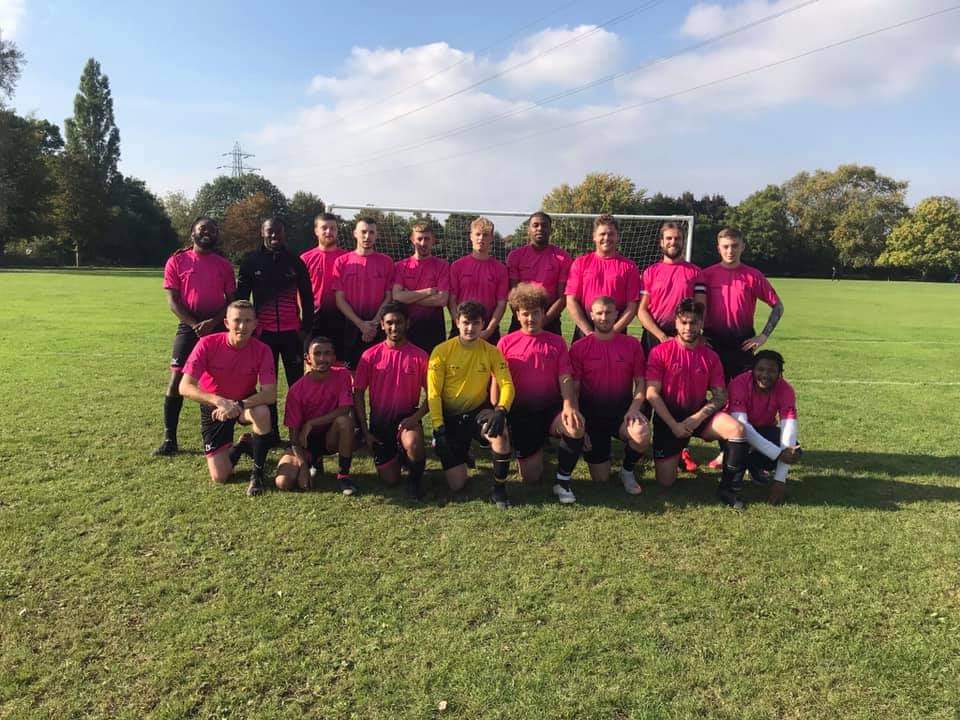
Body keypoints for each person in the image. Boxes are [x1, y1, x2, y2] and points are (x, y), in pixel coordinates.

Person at [645, 299, 751, 509]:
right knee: (666, 482)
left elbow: (720, 396)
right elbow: (651, 394)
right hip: (669, 418)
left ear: (701, 323)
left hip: (699, 413)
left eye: (693, 323)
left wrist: (696, 418)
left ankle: (728, 488)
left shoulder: (710, 356)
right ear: (675, 323)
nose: (688, 328)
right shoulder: (660, 352)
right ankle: (678, 454)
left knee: (736, 430)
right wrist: (674, 425)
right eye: (684, 322)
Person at [495, 284, 585, 504]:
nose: (530, 318)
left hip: (550, 409)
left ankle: (562, 481)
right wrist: (499, 412)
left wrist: (569, 405)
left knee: (575, 425)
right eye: (525, 314)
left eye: (535, 313)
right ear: (517, 314)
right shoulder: (506, 343)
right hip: (521, 413)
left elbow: (565, 377)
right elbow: (497, 383)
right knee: (531, 479)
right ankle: (531, 451)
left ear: (543, 313)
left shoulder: (556, 342)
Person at [155, 217, 236, 456]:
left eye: (212, 230)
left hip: (219, 326)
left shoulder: (224, 265)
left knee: (223, 381)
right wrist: (195, 325)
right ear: (192, 233)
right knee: (176, 382)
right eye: (202, 229)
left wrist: (213, 322)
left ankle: (223, 434)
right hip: (188, 327)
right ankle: (170, 438)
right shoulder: (177, 260)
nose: (207, 233)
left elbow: (231, 301)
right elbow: (173, 301)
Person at [178, 300, 276, 496]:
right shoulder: (206, 344)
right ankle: (243, 445)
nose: (242, 326)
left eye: (248, 321)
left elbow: (270, 394)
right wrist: (219, 401)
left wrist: (238, 404)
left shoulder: (262, 350)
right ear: (226, 322)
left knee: (262, 411)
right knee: (220, 477)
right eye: (237, 320)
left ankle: (257, 474)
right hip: (214, 407)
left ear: (256, 324)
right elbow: (184, 387)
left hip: (243, 403)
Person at [428, 301, 515, 508]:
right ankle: (455, 447)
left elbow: (506, 383)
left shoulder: (491, 351)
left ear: (482, 324)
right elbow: (433, 393)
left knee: (500, 432)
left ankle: (499, 489)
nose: (470, 328)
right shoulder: (441, 351)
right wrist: (439, 427)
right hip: (450, 420)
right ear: (457, 322)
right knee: (457, 484)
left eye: (475, 323)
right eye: (466, 323)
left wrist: (501, 410)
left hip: (477, 413)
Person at [636, 221, 707, 474]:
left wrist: (688, 336)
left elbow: (700, 310)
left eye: (677, 239)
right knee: (648, 393)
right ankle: (639, 446)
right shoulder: (650, 272)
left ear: (682, 241)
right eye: (668, 239)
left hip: (685, 339)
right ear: (661, 242)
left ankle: (680, 448)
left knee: (679, 394)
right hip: (655, 339)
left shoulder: (694, 273)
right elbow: (642, 311)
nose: (673, 243)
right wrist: (660, 336)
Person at [235, 217, 314, 441]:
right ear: (262, 232)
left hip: (292, 335)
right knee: (267, 386)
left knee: (296, 386)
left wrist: (305, 329)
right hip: (264, 336)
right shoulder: (251, 261)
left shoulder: (295, 261)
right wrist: (247, 329)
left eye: (278, 232)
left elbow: (307, 298)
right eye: (270, 232)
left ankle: (297, 432)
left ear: (284, 233)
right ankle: (271, 434)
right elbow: (241, 299)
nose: (274, 236)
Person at [569, 296, 651, 495]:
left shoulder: (631, 345)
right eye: (599, 313)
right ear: (591, 315)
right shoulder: (579, 347)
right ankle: (593, 447)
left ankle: (627, 470)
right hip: (592, 418)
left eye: (608, 313)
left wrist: (633, 410)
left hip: (621, 414)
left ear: (616, 315)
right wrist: (582, 428)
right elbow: (574, 389)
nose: (604, 317)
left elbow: (641, 383)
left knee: (642, 434)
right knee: (601, 480)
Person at [353, 302, 430, 499]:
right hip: (380, 423)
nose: (394, 328)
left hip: (407, 420)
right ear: (382, 324)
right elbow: (359, 393)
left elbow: (433, 395)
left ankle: (415, 481)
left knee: (413, 443)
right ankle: (400, 456)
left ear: (407, 324)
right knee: (391, 480)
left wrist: (416, 417)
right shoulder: (370, 356)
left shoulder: (420, 356)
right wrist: (365, 431)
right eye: (389, 323)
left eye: (399, 322)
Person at [274, 336, 358, 495]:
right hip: (305, 443)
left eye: (327, 354)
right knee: (283, 483)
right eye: (317, 354)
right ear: (308, 358)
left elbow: (344, 409)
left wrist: (311, 423)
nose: (322, 358)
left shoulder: (343, 375)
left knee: (345, 421)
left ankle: (343, 476)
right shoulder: (296, 390)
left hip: (330, 438)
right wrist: (303, 466)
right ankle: (313, 462)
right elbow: (294, 438)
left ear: (334, 357)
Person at [701, 227, 783, 381]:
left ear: (742, 247)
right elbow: (694, 308)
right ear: (718, 248)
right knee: (714, 391)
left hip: (743, 344)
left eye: (735, 246)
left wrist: (763, 336)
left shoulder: (753, 276)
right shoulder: (706, 275)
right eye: (725, 246)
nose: (730, 251)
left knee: (743, 392)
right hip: (712, 343)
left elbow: (778, 306)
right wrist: (698, 336)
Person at [726, 350, 801, 505]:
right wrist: (777, 453)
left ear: (780, 373)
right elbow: (742, 426)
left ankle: (754, 467)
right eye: (760, 369)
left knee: (795, 451)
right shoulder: (739, 383)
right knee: (738, 438)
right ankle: (735, 473)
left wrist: (780, 480)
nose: (765, 375)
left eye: (772, 370)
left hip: (764, 430)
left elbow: (789, 428)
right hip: (734, 433)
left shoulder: (785, 389)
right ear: (752, 370)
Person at [565, 214, 641, 341]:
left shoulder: (629, 266)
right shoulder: (580, 263)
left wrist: (613, 332)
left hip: (616, 333)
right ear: (594, 236)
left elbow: (632, 305)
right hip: (585, 331)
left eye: (611, 234)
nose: (606, 238)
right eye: (602, 234)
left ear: (617, 237)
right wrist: (588, 332)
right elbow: (571, 301)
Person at [333, 217, 394, 369]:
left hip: (378, 328)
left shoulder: (386, 262)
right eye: (363, 232)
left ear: (376, 235)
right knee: (350, 377)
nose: (367, 236)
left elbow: (388, 297)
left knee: (379, 375)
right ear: (355, 233)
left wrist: (373, 323)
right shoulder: (342, 262)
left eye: (371, 232)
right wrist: (361, 324)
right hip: (350, 328)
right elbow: (339, 300)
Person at [506, 212, 572, 336]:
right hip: (521, 317)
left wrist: (544, 320)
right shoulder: (515, 256)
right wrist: (523, 317)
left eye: (544, 225)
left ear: (550, 229)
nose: (540, 228)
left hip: (550, 318)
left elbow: (562, 297)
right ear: (528, 229)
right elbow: (512, 293)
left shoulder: (562, 257)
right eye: (535, 225)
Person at [391, 222, 450, 355]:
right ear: (412, 240)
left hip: (433, 329)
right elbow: (397, 296)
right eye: (419, 239)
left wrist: (409, 297)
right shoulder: (400, 266)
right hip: (406, 329)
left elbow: (441, 300)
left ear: (433, 240)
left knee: (431, 372)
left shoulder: (442, 266)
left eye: (427, 239)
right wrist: (428, 291)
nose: (423, 243)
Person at [448, 217, 509, 344]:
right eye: (478, 234)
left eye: (485, 235)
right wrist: (459, 324)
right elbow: (452, 300)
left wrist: (489, 330)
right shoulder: (457, 266)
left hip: (487, 329)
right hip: (461, 327)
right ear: (471, 236)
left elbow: (501, 303)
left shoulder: (501, 269)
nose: (481, 238)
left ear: (491, 238)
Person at [301, 212, 349, 361]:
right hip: (313, 318)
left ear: (337, 230)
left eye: (333, 228)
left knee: (339, 362)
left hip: (341, 317)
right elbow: (298, 290)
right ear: (316, 231)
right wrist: (303, 313)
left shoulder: (348, 258)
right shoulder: (305, 258)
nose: (329, 232)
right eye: (324, 228)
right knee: (312, 361)